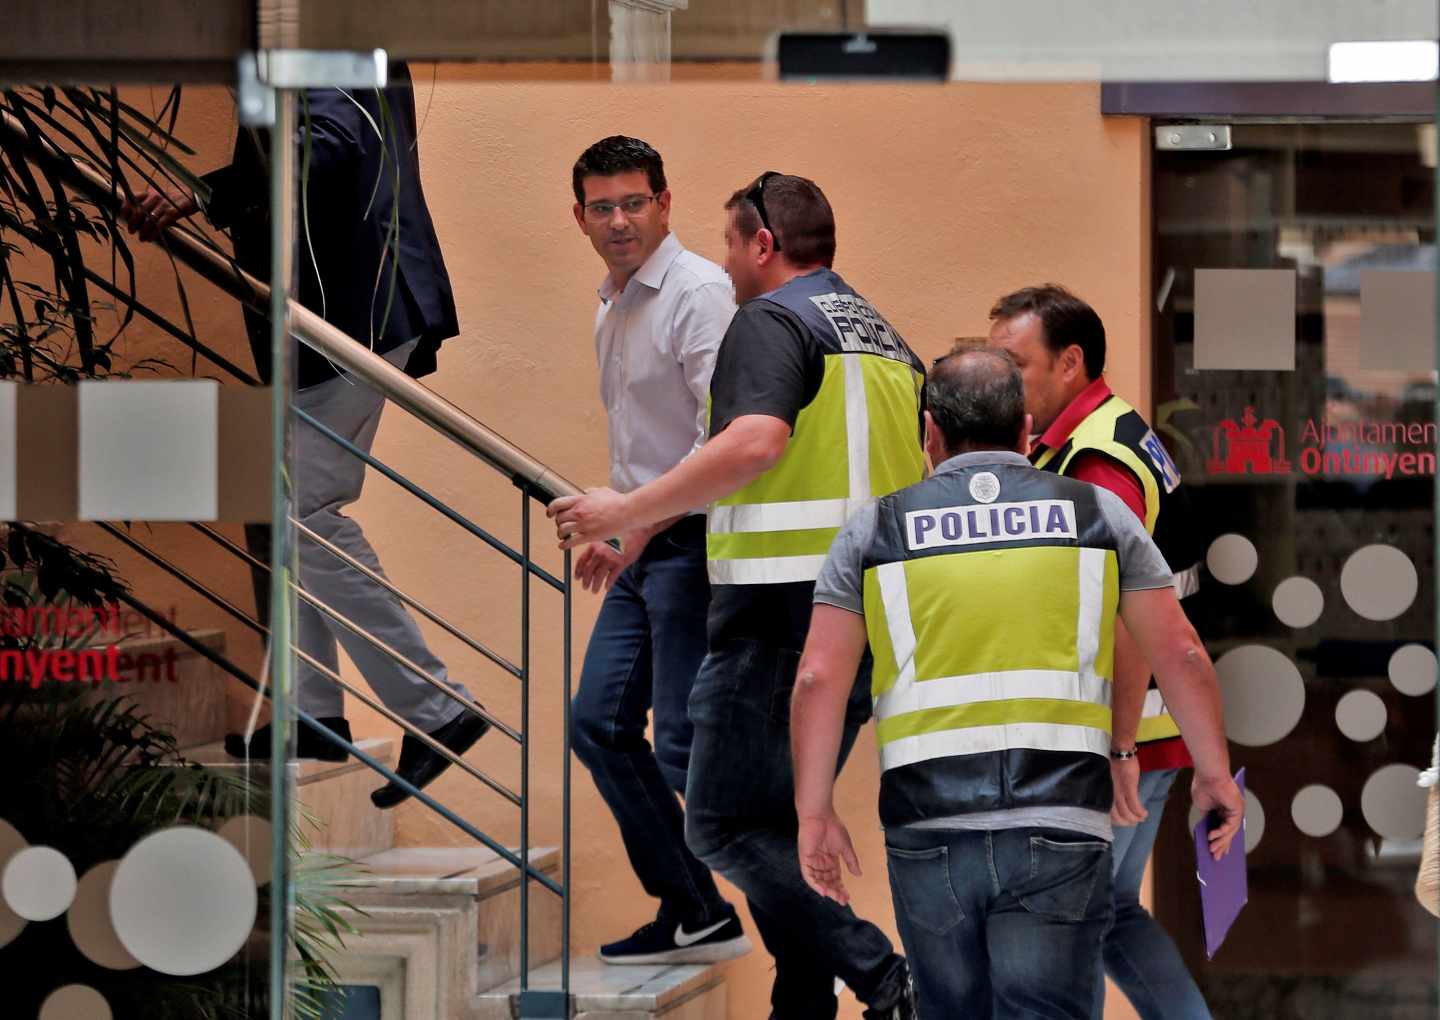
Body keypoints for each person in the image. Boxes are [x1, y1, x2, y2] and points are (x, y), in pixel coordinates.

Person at [550, 172, 922, 1019]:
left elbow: (755, 441)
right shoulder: (880, 334)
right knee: (775, 827)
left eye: (731, 244)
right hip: (860, 619)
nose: (725, 264)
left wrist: (626, 508)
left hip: (776, 616)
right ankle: (808, 1001)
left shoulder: (770, 319)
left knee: (717, 822)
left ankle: (885, 976)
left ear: (764, 244)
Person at [791, 346, 1244, 1020]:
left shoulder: (875, 531)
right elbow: (1181, 653)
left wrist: (814, 810)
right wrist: (1213, 771)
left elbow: (818, 677)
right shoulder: (1098, 515)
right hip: (1061, 821)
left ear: (930, 435)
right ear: (1028, 433)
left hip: (929, 824)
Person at [124, 64, 488, 808]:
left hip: (352, 310)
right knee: (287, 504)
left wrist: (206, 191)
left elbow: (329, 143)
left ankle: (436, 707)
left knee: (303, 512)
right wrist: (214, 191)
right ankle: (314, 714)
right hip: (341, 307)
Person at [988, 284, 1213, 1018]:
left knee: (1070, 931)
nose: (999, 383)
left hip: (1124, 739)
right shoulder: (1098, 436)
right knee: (1109, 915)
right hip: (1140, 733)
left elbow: (1131, 614)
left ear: (1070, 363)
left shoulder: (1099, 462)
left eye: (1013, 365)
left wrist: (1118, 748)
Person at [566, 136, 750, 964]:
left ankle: (831, 936)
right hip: (646, 547)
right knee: (596, 724)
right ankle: (694, 907)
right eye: (601, 207)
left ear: (666, 204)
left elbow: (725, 440)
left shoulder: (698, 293)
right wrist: (625, 532)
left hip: (696, 543)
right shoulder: (612, 299)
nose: (619, 221)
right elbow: (643, 439)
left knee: (681, 745)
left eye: (633, 202)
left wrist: (636, 524)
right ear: (580, 218)